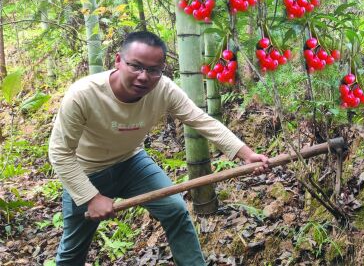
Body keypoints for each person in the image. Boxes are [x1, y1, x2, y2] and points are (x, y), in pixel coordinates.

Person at [48, 31, 269, 265]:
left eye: (154, 70)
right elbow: (60, 152)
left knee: (175, 210)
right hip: (85, 172)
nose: (144, 77)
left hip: (132, 163)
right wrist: (91, 197)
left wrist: (246, 154)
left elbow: (201, 120)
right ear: (118, 60)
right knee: (72, 251)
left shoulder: (164, 89)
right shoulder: (83, 94)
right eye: (136, 66)